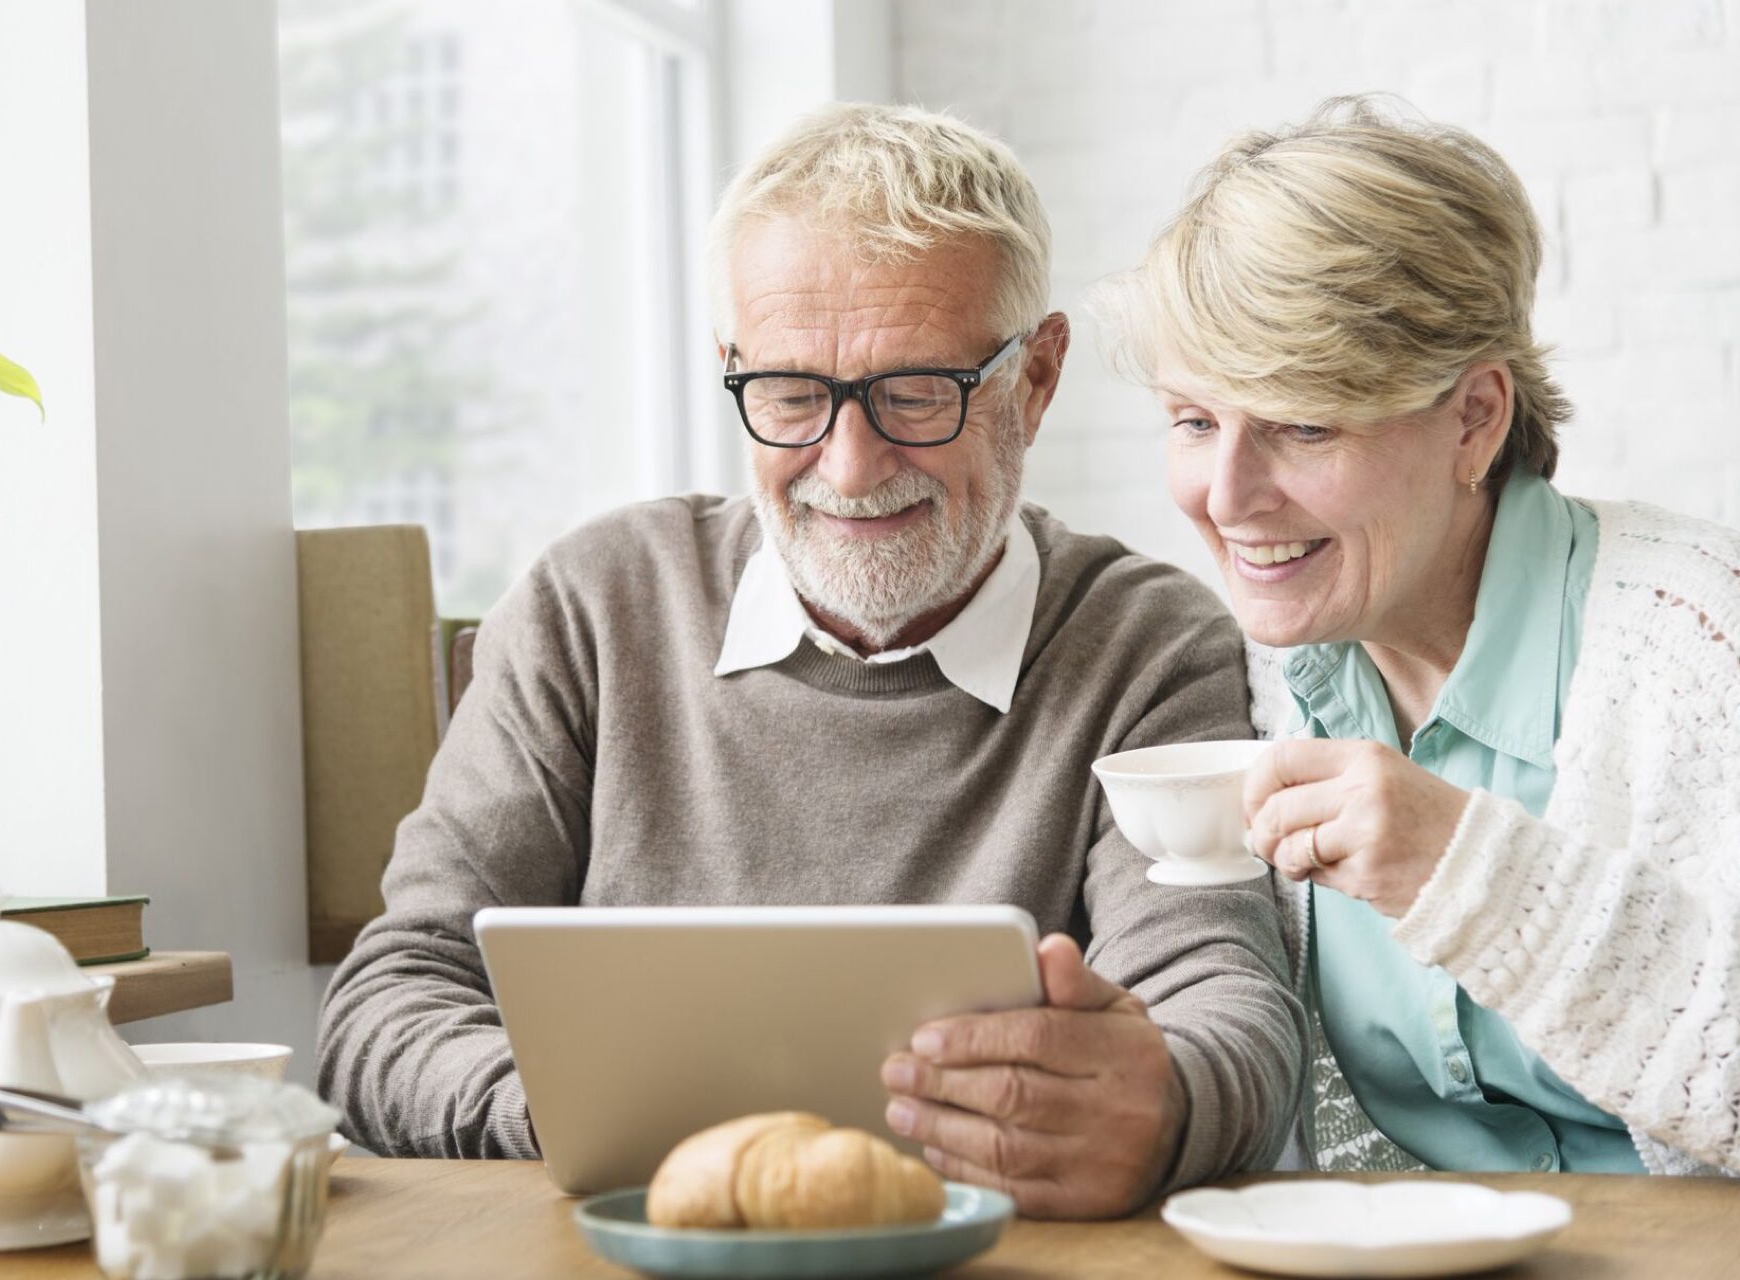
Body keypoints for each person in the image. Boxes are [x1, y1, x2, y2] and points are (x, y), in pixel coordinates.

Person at [319, 102, 1306, 1218]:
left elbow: (1225, 1008)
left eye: (915, 392)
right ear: (731, 367)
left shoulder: (1148, 644)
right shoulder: (592, 606)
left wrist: (1164, 1104)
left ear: (1034, 377)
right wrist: (582, 1119)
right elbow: (388, 1002)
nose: (847, 464)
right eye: (791, 394)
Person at [1104, 94, 1740, 1176]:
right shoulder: (1250, 685)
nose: (1226, 495)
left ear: (1475, 417)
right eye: (1195, 420)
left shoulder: (1699, 647)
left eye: (1304, 423)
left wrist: (1473, 873)